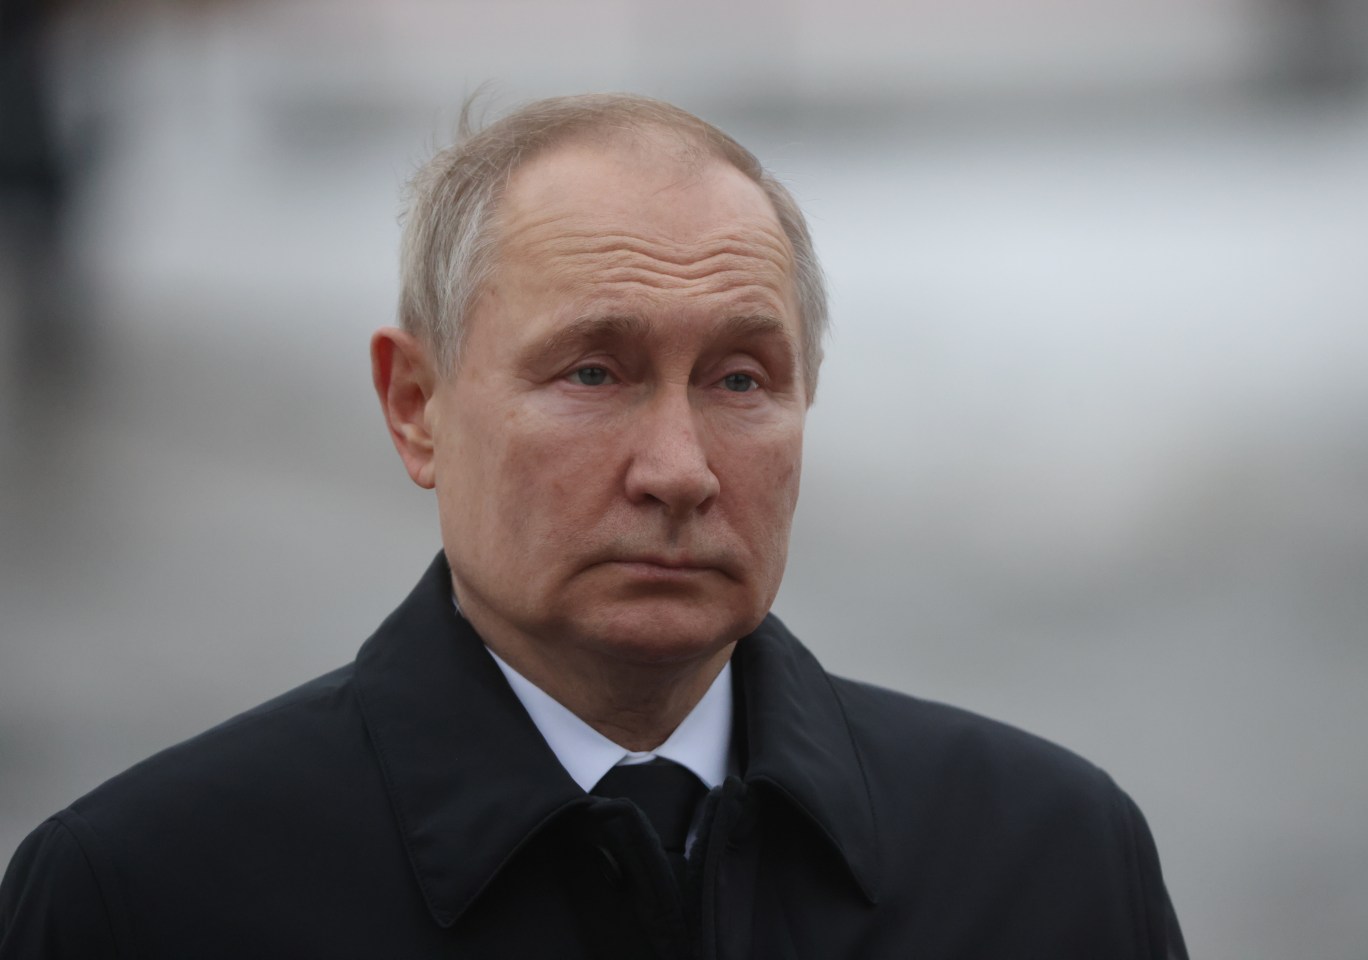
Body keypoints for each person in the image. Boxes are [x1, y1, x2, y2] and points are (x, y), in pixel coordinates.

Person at [0, 94, 1188, 958]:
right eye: (591, 373)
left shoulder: (1047, 863)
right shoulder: (148, 902)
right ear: (417, 409)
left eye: (738, 381)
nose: (679, 472)